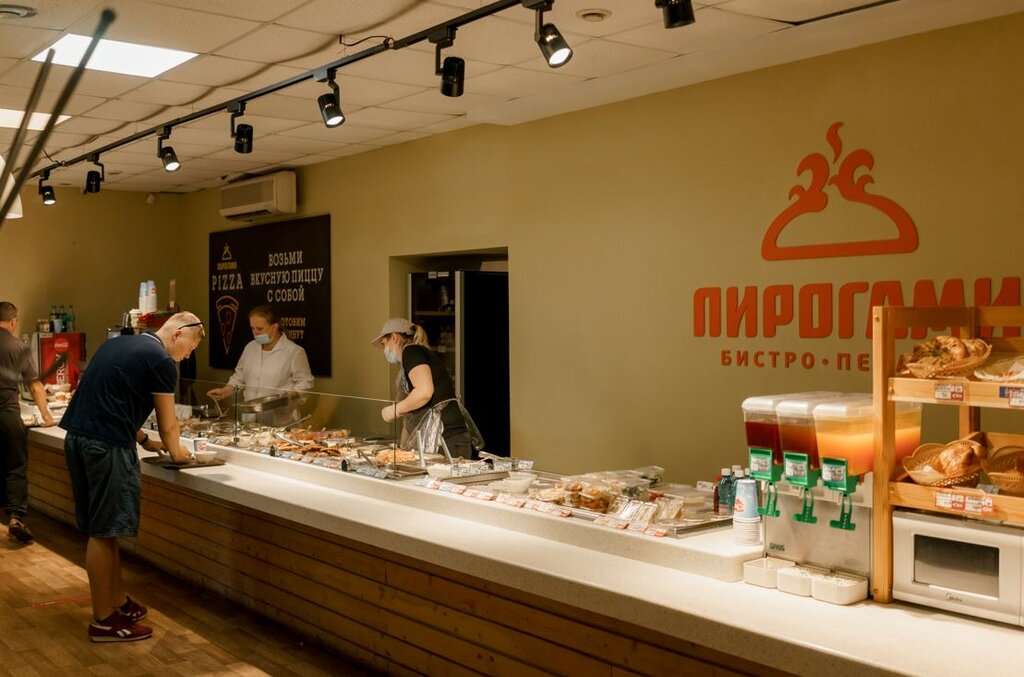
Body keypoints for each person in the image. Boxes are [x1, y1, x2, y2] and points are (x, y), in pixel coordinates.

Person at [60, 312, 203, 643]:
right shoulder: (162, 361)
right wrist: (178, 453)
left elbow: (109, 401)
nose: (187, 356)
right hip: (106, 447)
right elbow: (169, 424)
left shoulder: (119, 344)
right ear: (178, 334)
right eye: (191, 348)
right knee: (103, 532)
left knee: (105, 531)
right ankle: (103, 620)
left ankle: (117, 602)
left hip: (78, 439)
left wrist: (143, 440)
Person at [371, 318, 479, 459]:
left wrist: (394, 410)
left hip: (447, 440)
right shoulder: (416, 355)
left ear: (394, 337)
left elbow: (424, 392)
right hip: (448, 439)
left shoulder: (410, 352)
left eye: (384, 343)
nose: (385, 350)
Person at [0, 302, 55, 544]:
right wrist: (46, 415)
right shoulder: (18, 347)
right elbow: (35, 386)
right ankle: (16, 519)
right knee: (15, 466)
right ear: (13, 321)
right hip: (7, 414)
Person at [206, 304, 313, 404]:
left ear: (274, 327)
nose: (255, 333)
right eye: (253, 328)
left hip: (279, 414)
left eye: (259, 329)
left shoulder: (294, 351)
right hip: (250, 412)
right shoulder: (250, 347)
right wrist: (226, 390)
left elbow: (305, 384)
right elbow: (239, 376)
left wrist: (286, 396)